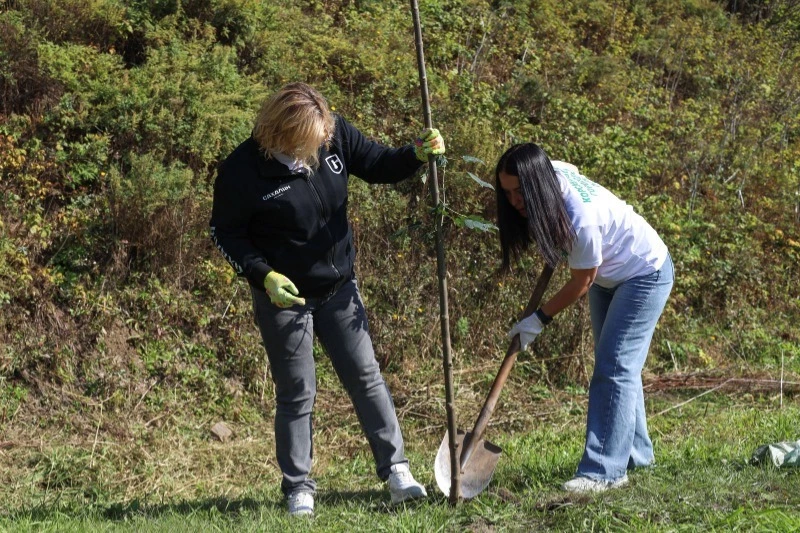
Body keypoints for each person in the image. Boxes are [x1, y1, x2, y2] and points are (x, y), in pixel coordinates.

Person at [209, 82, 445, 516]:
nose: (318, 151)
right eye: (308, 144)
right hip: (286, 298)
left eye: (322, 141)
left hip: (339, 289)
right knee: (298, 391)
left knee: (366, 376)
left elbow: (378, 164)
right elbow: (225, 232)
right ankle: (298, 486)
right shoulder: (243, 171)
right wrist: (263, 276)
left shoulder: (334, 135)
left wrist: (414, 153)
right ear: (280, 134)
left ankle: (396, 470)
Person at [495, 143, 673, 494]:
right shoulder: (554, 174)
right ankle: (636, 455)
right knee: (618, 366)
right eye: (507, 193)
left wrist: (537, 319)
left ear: (537, 183)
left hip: (644, 273)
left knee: (614, 367)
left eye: (519, 192)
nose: (514, 201)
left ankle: (604, 471)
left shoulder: (581, 220)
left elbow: (582, 281)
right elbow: (571, 167)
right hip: (610, 276)